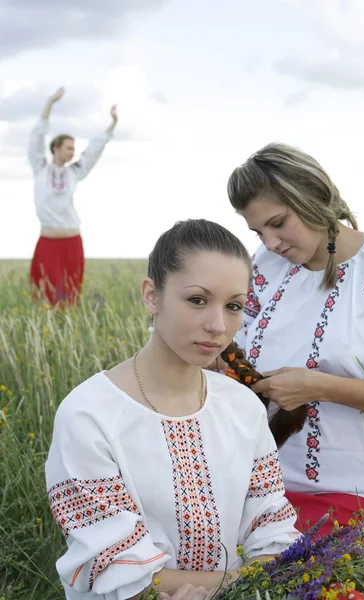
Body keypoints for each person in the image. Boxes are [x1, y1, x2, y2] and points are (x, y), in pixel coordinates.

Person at [45, 219, 298, 600]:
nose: (217, 325)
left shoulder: (242, 405)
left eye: (233, 306)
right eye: (197, 300)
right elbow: (116, 569)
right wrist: (250, 583)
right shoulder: (88, 415)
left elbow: (272, 529)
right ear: (152, 295)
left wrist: (266, 577)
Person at [225, 143, 364, 535]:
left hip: (359, 495)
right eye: (258, 231)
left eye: (278, 222)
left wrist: (316, 387)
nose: (270, 242)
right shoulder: (265, 266)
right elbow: (232, 341)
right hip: (264, 487)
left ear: (314, 197)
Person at [28, 87, 118, 305]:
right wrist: (50, 102)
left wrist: (112, 123)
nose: (72, 152)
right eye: (69, 147)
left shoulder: (73, 172)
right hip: (49, 242)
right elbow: (37, 136)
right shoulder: (40, 167)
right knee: (47, 296)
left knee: (70, 294)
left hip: (72, 241)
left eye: (73, 148)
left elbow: (93, 150)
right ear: (56, 148)